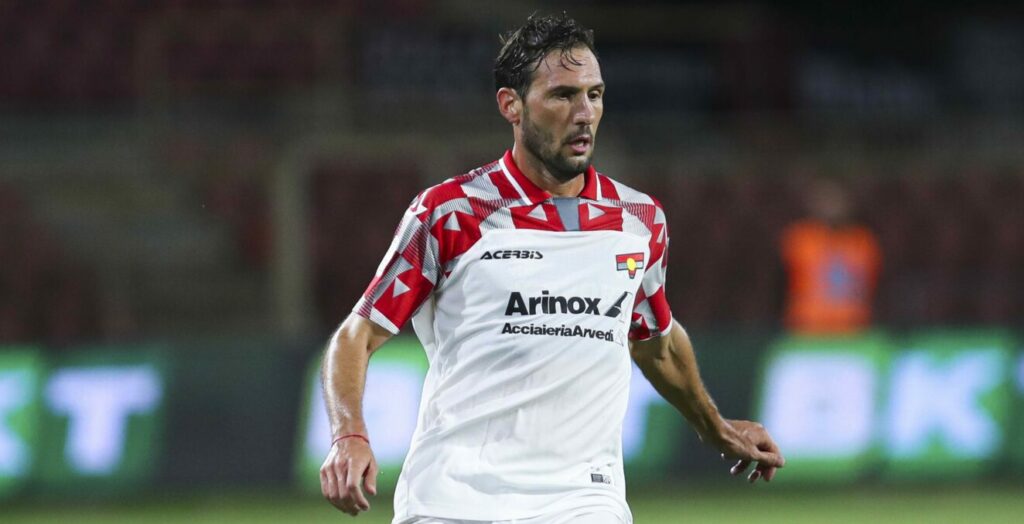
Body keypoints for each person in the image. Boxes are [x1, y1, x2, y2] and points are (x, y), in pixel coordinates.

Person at [320, 13, 784, 524]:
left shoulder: (639, 221)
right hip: (453, 499)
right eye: (563, 95)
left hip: (584, 501)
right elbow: (356, 336)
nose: (584, 113)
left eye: (595, 94)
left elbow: (658, 342)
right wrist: (349, 435)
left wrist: (717, 428)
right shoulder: (451, 213)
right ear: (511, 105)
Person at [781, 178, 881, 334]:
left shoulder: (863, 241)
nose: (831, 206)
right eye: (825, 199)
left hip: (853, 327)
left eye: (836, 200)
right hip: (807, 327)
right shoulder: (799, 239)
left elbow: (870, 283)